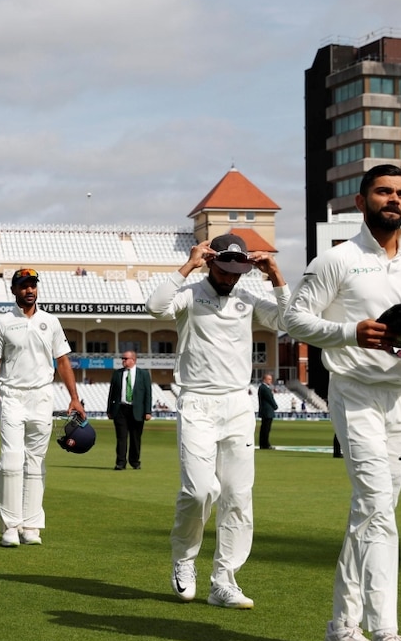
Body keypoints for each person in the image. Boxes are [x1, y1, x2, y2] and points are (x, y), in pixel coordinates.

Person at [284, 164, 401, 641]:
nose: (394, 200)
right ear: (361, 202)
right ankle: (386, 635)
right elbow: (295, 320)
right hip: (355, 393)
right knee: (378, 508)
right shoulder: (336, 260)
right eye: (383, 192)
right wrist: (348, 332)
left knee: (370, 514)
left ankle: (341, 630)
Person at [146, 234, 288, 611]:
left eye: (237, 271)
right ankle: (184, 559)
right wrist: (188, 264)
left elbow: (287, 320)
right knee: (199, 491)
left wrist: (274, 273)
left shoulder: (248, 299)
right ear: (212, 263)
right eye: (224, 269)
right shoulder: (191, 294)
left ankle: (224, 580)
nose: (230, 278)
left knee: (239, 496)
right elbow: (155, 306)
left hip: (238, 404)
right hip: (197, 403)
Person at [0, 268, 84, 547]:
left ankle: (31, 525)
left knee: (35, 463)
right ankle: (10, 526)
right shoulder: (3, 323)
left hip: (42, 397)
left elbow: (62, 361)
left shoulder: (50, 321)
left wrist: (74, 397)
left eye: (33, 285)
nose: (29, 290)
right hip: (12, 396)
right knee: (12, 461)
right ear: (14, 291)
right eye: (23, 285)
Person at [106, 349, 152, 469]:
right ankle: (120, 462)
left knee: (135, 438)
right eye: (122, 359)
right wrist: (109, 410)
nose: (123, 361)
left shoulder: (144, 374)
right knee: (121, 438)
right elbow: (112, 393)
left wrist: (148, 411)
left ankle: (135, 461)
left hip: (137, 410)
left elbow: (148, 393)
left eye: (125, 359)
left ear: (133, 360)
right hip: (120, 409)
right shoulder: (117, 373)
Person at [257, 372, 279, 450]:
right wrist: (275, 406)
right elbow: (270, 399)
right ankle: (265, 444)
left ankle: (263, 444)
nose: (270, 381)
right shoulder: (264, 388)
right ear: (264, 379)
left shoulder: (263, 387)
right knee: (266, 429)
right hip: (267, 411)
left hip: (266, 411)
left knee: (264, 428)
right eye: (269, 379)